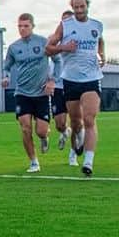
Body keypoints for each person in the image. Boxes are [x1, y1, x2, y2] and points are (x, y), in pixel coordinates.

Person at [46, 0, 104, 176]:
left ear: (88, 6)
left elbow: (100, 40)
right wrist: (64, 47)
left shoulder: (97, 25)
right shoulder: (65, 26)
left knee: (89, 119)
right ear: (72, 7)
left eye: (82, 6)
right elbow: (48, 48)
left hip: (92, 78)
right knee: (77, 122)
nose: (79, 10)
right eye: (76, 7)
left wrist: (102, 54)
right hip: (70, 79)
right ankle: (77, 142)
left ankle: (88, 161)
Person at [1, 13, 58, 172]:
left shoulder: (43, 43)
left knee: (40, 131)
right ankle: (34, 162)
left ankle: (44, 137)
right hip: (22, 93)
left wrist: (52, 81)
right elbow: (6, 66)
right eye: (20, 26)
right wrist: (5, 77)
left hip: (40, 93)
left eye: (26, 26)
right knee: (25, 127)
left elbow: (57, 61)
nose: (22, 29)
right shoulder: (14, 47)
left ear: (33, 26)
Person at [52, 9, 74, 162]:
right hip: (58, 87)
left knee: (76, 120)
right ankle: (65, 132)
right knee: (59, 124)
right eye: (63, 21)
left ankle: (73, 155)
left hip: (74, 85)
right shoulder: (55, 44)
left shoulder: (78, 43)